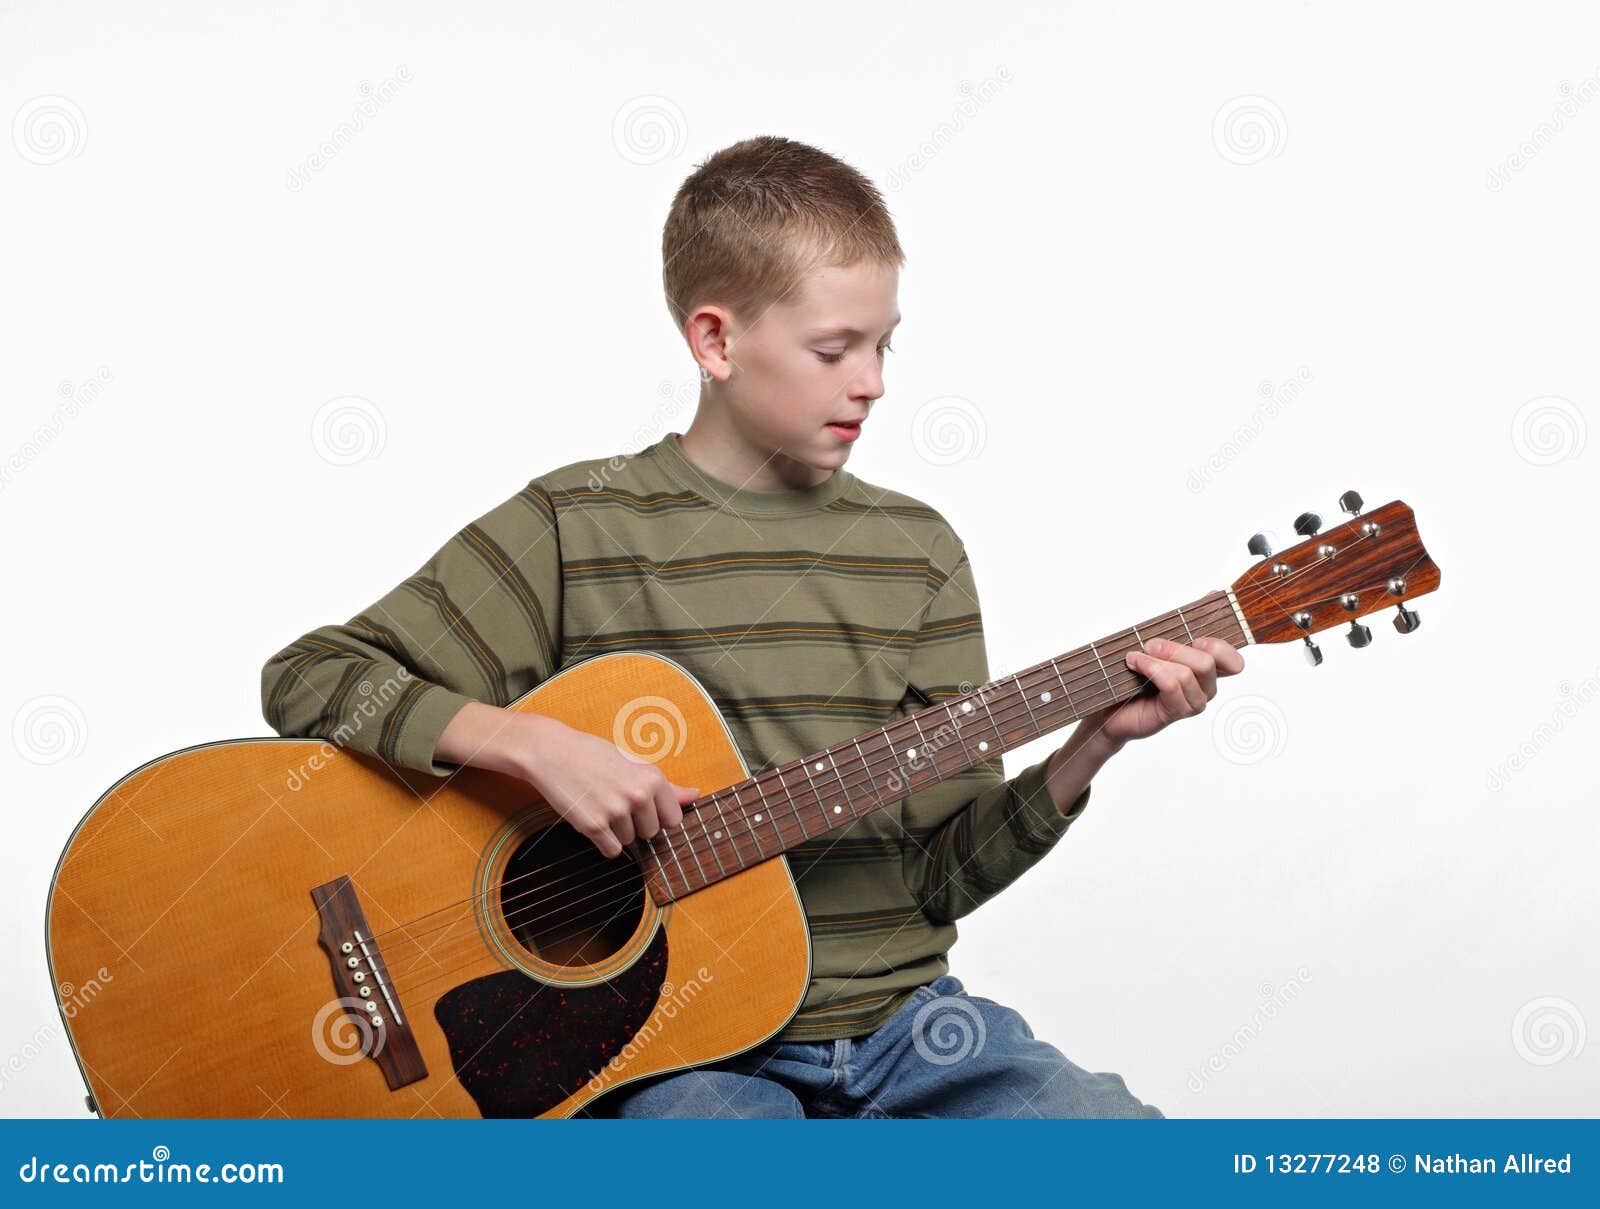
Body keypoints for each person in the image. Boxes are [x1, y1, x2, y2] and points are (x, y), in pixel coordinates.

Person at [261, 134, 1244, 1118]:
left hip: (908, 1036)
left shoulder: (918, 552)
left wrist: (1089, 746)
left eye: (884, 345)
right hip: (675, 1052)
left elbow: (936, 882)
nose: (872, 381)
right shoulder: (579, 523)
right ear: (716, 342)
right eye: (834, 350)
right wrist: (533, 746)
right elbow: (312, 675)